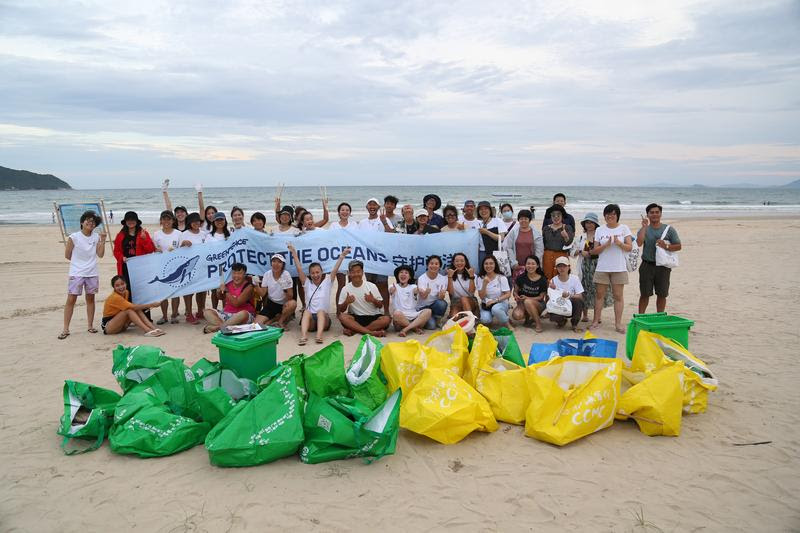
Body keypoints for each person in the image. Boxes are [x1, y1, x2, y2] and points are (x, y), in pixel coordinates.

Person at [287, 243, 349, 345]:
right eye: (313, 273)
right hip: (311, 321)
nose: (315, 275)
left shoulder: (327, 282)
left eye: (317, 272)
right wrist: (294, 253)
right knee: (306, 312)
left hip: (324, 320)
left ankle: (319, 335)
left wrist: (342, 256)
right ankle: (303, 336)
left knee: (320, 312)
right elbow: (299, 269)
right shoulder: (307, 283)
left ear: (321, 272)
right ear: (310, 274)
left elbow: (335, 269)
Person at [59, 210, 106, 339]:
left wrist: (103, 240)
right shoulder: (74, 237)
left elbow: (100, 255)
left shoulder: (96, 237)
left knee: (90, 299)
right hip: (77, 272)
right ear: (82, 222)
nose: (91, 223)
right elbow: (67, 255)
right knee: (71, 299)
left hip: (92, 272)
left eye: (93, 222)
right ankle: (65, 329)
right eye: (88, 220)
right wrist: (78, 264)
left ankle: (90, 326)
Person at [590, 203, 633, 333]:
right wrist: (606, 244)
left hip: (619, 267)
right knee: (599, 295)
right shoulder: (600, 230)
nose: (610, 216)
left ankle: (618, 324)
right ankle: (596, 320)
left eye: (613, 214)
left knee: (618, 296)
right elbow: (594, 251)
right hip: (602, 267)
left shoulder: (624, 228)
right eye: (608, 214)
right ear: (604, 216)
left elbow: (629, 247)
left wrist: (619, 243)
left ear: (617, 216)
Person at [637, 203, 682, 313]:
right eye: (651, 212)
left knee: (662, 294)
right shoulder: (644, 229)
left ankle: (660, 316)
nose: (654, 214)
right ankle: (640, 317)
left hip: (663, 266)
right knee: (644, 294)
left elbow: (678, 246)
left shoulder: (669, 229)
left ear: (661, 214)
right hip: (647, 265)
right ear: (647, 215)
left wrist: (665, 246)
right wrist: (644, 227)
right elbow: (639, 243)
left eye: (657, 212)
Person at [571, 212, 612, 323]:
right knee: (583, 289)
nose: (589, 225)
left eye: (591, 222)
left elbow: (606, 250)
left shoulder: (600, 236)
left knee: (598, 291)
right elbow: (571, 251)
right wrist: (580, 251)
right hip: (584, 266)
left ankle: (597, 316)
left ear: (595, 224)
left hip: (598, 265)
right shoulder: (580, 237)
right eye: (587, 222)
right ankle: (585, 315)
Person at [112, 211, 156, 310]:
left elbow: (150, 250)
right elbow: (116, 251)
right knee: (127, 291)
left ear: (137, 221)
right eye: (128, 220)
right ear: (125, 222)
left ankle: (145, 315)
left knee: (141, 291)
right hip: (125, 267)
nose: (131, 222)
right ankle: (130, 316)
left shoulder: (143, 233)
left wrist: (144, 239)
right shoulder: (120, 235)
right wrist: (121, 257)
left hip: (140, 268)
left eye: (133, 220)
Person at [337, 260, 391, 337]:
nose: (356, 274)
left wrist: (373, 300)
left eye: (358, 271)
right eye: (353, 272)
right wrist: (346, 302)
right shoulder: (345, 288)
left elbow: (380, 305)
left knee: (386, 319)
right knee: (342, 317)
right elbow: (341, 310)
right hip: (356, 317)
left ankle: (355, 331)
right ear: (349, 273)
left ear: (362, 272)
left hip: (373, 317)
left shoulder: (371, 286)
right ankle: (371, 333)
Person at [358, 198, 392, 314]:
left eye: (375, 205)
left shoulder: (384, 219)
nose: (372, 206)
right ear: (366, 207)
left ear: (378, 207)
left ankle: (386, 311)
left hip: (381, 258)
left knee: (382, 284)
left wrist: (384, 222)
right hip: (368, 259)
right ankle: (375, 311)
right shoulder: (362, 223)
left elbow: (392, 235)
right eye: (370, 204)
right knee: (371, 285)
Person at [203, 263, 255, 334]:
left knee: (243, 314)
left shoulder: (248, 287)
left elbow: (237, 303)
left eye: (239, 273)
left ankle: (218, 328)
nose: (236, 276)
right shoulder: (228, 283)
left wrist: (226, 291)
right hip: (227, 314)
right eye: (234, 273)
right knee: (207, 312)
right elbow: (220, 297)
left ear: (244, 274)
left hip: (243, 315)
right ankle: (224, 327)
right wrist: (219, 291)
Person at [153, 210, 183, 325]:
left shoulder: (178, 234)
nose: (166, 221)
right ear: (161, 221)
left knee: (175, 292)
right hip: (161, 266)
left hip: (176, 266)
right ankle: (164, 316)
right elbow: (153, 249)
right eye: (164, 219)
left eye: (169, 219)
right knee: (163, 294)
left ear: (173, 220)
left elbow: (183, 250)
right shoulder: (156, 234)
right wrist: (156, 250)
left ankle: (174, 314)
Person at [254, 254, 297, 329]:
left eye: (279, 262)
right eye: (274, 261)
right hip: (271, 304)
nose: (276, 264)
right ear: (271, 263)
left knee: (293, 304)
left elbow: (290, 297)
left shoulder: (286, 274)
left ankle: (280, 321)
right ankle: (275, 319)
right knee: (256, 324)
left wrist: (285, 288)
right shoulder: (267, 274)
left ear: (283, 264)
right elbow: (263, 293)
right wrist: (256, 285)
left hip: (283, 304)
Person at [179, 212, 207, 324]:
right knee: (189, 291)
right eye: (193, 221)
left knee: (202, 290)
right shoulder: (184, 234)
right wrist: (183, 244)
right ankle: (189, 314)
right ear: (189, 223)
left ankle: (201, 311)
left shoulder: (204, 234)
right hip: (189, 267)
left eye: (198, 221)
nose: (196, 223)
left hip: (202, 265)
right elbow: (176, 251)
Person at [503, 209, 543, 283]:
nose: (523, 220)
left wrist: (534, 264)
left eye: (526, 218)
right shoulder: (514, 232)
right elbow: (509, 248)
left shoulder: (536, 233)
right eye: (521, 219)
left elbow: (539, 250)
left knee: (531, 285)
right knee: (518, 286)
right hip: (517, 266)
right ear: (518, 220)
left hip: (531, 266)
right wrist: (514, 263)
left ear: (530, 220)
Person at [390, 265, 432, 337]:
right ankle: (414, 328)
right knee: (396, 313)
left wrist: (425, 292)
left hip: (414, 316)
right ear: (397, 275)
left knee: (428, 311)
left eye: (406, 273)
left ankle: (406, 329)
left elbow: (416, 291)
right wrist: (392, 290)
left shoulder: (413, 287)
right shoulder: (393, 286)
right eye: (401, 272)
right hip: (400, 317)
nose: (403, 274)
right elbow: (391, 291)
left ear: (409, 277)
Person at [511, 255, 548, 332]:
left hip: (539, 304)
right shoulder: (520, 277)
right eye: (528, 263)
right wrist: (516, 296)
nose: (530, 266)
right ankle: (529, 318)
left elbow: (541, 297)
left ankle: (538, 323)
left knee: (528, 302)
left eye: (533, 264)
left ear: (537, 266)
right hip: (522, 302)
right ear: (525, 265)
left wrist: (527, 298)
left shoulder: (543, 279)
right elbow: (515, 291)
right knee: (517, 315)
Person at [549, 256, 585, 332]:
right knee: (553, 315)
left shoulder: (575, 278)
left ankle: (574, 323)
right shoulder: (553, 280)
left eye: (564, 266)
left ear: (569, 267)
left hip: (571, 304)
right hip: (559, 304)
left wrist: (569, 295)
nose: (562, 268)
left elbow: (580, 295)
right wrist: (553, 290)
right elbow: (550, 297)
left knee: (578, 301)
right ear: (556, 268)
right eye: (559, 266)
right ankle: (561, 321)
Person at [476, 255, 512, 328]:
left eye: (491, 263)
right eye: (486, 264)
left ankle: (507, 324)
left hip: (501, 302)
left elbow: (508, 294)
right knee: (485, 320)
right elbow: (481, 296)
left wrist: (495, 300)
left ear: (495, 265)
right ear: (483, 265)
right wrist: (485, 284)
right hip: (486, 304)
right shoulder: (480, 278)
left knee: (496, 309)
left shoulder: (501, 277)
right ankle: (495, 317)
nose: (488, 266)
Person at [541, 204, 574, 279]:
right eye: (553, 215)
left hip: (562, 255)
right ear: (551, 217)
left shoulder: (567, 227)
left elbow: (569, 244)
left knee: (561, 276)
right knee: (547, 276)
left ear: (562, 216)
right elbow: (543, 244)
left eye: (558, 215)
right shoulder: (546, 228)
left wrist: (566, 236)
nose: (556, 217)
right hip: (547, 256)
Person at [416, 255, 449, 329]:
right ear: (427, 265)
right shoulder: (422, 278)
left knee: (442, 303)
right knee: (431, 326)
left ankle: (437, 318)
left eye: (436, 264)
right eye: (431, 263)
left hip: (435, 305)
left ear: (440, 266)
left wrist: (441, 295)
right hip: (423, 307)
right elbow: (423, 297)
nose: (434, 266)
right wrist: (426, 292)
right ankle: (426, 318)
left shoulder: (443, 279)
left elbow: (441, 298)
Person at [329, 202, 353, 305]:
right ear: (339, 212)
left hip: (352, 257)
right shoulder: (333, 225)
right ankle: (339, 310)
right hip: (339, 259)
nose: (345, 212)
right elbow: (329, 240)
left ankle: (352, 309)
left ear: (350, 212)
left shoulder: (354, 225)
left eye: (347, 210)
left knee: (352, 284)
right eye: (342, 210)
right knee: (341, 285)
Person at [446, 252, 477, 317]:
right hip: (456, 302)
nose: (459, 263)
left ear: (466, 262)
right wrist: (450, 277)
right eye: (457, 261)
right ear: (453, 263)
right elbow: (451, 292)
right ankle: (465, 316)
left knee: (464, 299)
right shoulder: (448, 275)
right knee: (454, 319)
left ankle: (471, 321)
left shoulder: (472, 274)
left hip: (470, 300)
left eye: (462, 261)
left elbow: (471, 291)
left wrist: (471, 276)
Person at [476, 201, 503, 266]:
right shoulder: (478, 223)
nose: (483, 211)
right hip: (482, 253)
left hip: (495, 252)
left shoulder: (497, 221)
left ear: (490, 210)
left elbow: (501, 238)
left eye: (486, 209)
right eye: (481, 209)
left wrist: (487, 232)